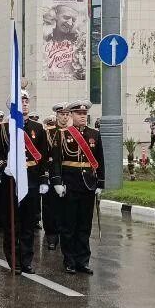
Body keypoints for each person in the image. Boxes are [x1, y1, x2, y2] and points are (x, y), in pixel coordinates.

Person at [0, 91, 52, 275]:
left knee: (29, 223)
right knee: (12, 223)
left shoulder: (38, 127)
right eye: (21, 101)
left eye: (27, 101)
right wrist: (4, 166)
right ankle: (14, 260)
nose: (26, 104)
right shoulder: (4, 129)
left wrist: (44, 178)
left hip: (32, 179)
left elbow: (44, 156)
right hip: (11, 180)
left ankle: (27, 260)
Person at [51, 101, 104, 275]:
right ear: (71, 115)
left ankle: (83, 260)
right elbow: (57, 161)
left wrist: (100, 183)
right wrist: (57, 182)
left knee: (84, 225)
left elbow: (100, 160)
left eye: (84, 113)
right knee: (69, 225)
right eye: (78, 113)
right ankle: (69, 261)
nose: (82, 116)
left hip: (88, 185)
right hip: (70, 184)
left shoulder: (94, 134)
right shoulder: (62, 134)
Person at [41, 106, 65, 251]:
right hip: (51, 174)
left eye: (67, 114)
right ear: (57, 115)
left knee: (65, 209)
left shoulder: (72, 132)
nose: (65, 117)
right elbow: (44, 156)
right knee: (50, 207)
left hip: (67, 175)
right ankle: (51, 235)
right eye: (62, 114)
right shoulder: (48, 133)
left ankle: (64, 234)